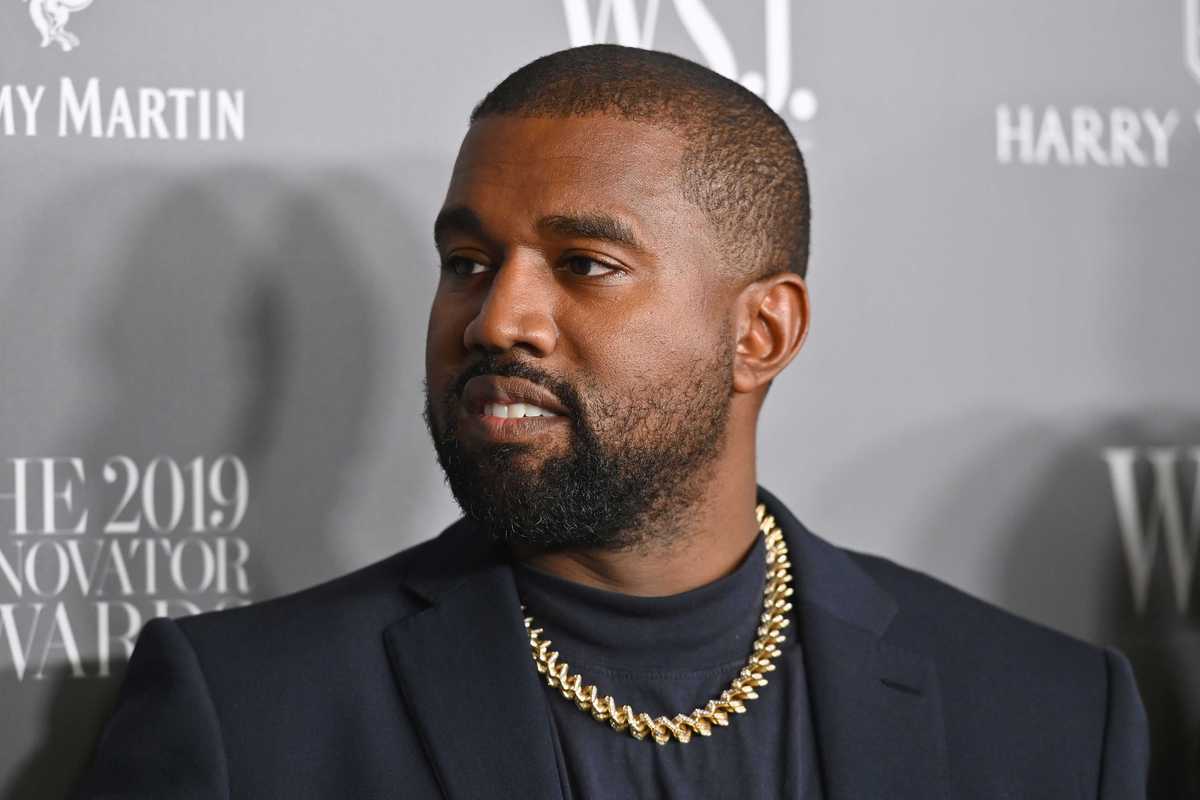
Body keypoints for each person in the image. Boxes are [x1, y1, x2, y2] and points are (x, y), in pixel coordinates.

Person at [74, 44, 1149, 799]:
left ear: (761, 332)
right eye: (467, 262)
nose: (497, 319)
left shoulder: (1049, 715)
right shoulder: (248, 716)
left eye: (585, 264)